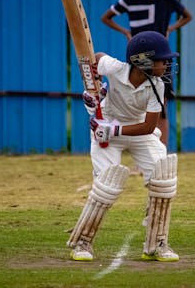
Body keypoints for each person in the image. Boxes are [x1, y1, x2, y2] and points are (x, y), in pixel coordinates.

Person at [67, 31, 180, 262]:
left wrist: (115, 130)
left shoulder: (157, 85)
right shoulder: (117, 68)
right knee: (106, 184)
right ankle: (83, 242)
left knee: (163, 177)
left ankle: (157, 244)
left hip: (135, 129)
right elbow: (95, 57)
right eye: (162, 59)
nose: (167, 63)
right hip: (106, 125)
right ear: (143, 61)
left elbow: (149, 126)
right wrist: (94, 90)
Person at [101, 0, 192, 146]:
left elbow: (187, 16)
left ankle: (161, 153)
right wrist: (126, 32)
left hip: (161, 59)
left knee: (161, 106)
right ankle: (140, 154)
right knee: (137, 106)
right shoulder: (130, 0)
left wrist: (170, 29)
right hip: (139, 59)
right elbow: (106, 17)